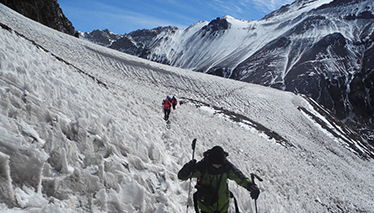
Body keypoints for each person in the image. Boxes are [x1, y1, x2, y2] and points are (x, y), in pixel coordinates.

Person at [178, 146, 260, 213]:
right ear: (210, 161)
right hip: (206, 207)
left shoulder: (226, 166)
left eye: (219, 164)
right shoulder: (202, 166)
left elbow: (240, 178)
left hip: (223, 208)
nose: (217, 166)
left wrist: (251, 186)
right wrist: (187, 169)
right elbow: (181, 176)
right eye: (215, 164)